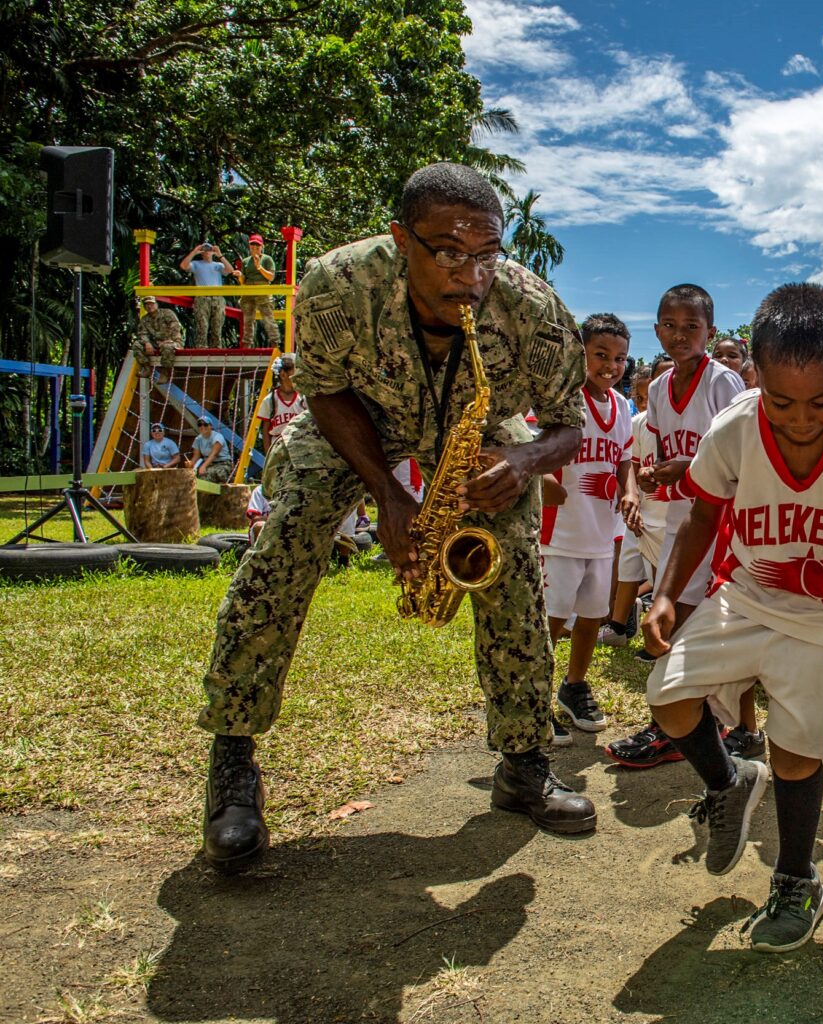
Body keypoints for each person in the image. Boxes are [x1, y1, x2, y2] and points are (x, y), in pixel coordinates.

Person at [195, 163, 595, 874]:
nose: (469, 273)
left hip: (478, 439)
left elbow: (570, 426)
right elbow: (323, 390)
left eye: (485, 253)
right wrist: (384, 490)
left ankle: (524, 761)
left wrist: (527, 461)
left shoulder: (534, 311)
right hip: (357, 424)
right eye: (446, 251)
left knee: (516, 572)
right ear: (399, 239)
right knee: (282, 548)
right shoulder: (336, 283)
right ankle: (233, 763)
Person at [641, 282, 823, 952]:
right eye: (781, 402)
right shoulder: (735, 428)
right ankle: (729, 782)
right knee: (667, 700)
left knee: (794, 752)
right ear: (754, 375)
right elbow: (701, 510)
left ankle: (796, 879)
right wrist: (669, 592)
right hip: (747, 594)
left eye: (821, 401)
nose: (802, 418)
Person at [605, 285, 744, 768]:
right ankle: (689, 721)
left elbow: (740, 456)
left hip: (720, 520)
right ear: (657, 328)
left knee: (699, 619)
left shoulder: (723, 383)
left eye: (692, 326)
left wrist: (685, 465)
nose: (680, 334)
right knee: (673, 614)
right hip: (682, 518)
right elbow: (666, 454)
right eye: (670, 325)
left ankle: (684, 724)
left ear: (711, 331)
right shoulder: (661, 388)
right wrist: (653, 472)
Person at [541, 313, 641, 738]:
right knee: (550, 620)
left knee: (591, 617)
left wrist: (630, 490)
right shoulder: (558, 398)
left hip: (602, 532)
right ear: (578, 353)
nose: (611, 365)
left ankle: (574, 684)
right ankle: (533, 697)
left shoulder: (621, 406)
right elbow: (530, 447)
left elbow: (624, 458)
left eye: (620, 358)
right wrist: (543, 479)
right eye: (600, 355)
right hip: (560, 533)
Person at [600, 356, 671, 649]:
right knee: (628, 567)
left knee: (665, 578)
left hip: (672, 517)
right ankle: (618, 625)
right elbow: (631, 465)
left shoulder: (696, 421)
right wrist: (634, 501)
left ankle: (660, 638)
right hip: (641, 514)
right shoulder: (639, 423)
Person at [178, 241, 236, 347]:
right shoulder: (196, 264)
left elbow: (230, 270)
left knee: (217, 327)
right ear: (202, 253)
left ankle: (217, 352)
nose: (207, 252)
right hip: (202, 298)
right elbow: (183, 266)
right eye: (205, 250)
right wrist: (194, 252)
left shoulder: (218, 265)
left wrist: (219, 254)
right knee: (202, 327)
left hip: (217, 298)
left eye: (210, 250)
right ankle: (201, 351)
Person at [254, 354, 306, 452]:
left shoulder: (303, 397)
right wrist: (268, 454)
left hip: (300, 445)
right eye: (294, 374)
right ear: (283, 375)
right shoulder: (270, 400)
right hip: (278, 448)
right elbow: (265, 431)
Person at [237, 234, 281, 347]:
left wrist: (259, 267)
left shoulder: (267, 259)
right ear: (249, 246)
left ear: (262, 247)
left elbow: (271, 277)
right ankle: (246, 345)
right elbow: (243, 281)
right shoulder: (246, 261)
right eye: (252, 246)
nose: (255, 248)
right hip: (248, 290)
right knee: (248, 320)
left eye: (257, 246)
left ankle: (274, 343)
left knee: (267, 318)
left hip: (262, 288)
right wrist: (239, 275)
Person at [132, 297, 183, 380]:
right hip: (156, 343)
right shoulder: (145, 319)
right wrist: (147, 343)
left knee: (167, 347)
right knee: (136, 345)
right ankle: (147, 368)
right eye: (147, 304)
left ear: (156, 304)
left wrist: (168, 340)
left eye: (151, 304)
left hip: (173, 341)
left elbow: (176, 328)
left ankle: (165, 372)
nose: (149, 306)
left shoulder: (167, 313)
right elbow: (142, 333)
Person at [191, 417, 234, 483]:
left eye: (205, 424)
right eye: (200, 425)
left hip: (223, 464)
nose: (202, 426)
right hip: (209, 465)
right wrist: (190, 464)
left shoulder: (218, 437)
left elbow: (214, 454)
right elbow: (196, 455)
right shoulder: (198, 439)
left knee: (206, 475)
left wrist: (203, 466)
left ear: (211, 426)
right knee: (192, 476)